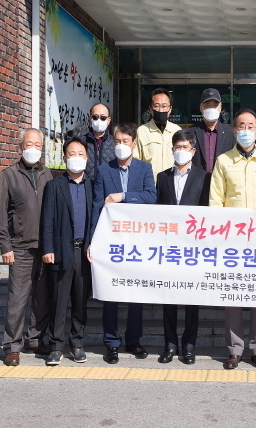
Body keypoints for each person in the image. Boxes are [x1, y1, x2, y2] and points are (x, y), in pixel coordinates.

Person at [209, 108, 256, 370]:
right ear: (233, 129)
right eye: (241, 125)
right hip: (232, 241)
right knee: (233, 297)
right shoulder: (223, 161)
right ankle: (234, 350)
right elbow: (215, 200)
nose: (246, 130)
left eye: (251, 126)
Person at [91, 123, 157, 364]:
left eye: (125, 141)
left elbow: (151, 196)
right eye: (117, 141)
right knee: (111, 293)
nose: (121, 145)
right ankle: (111, 342)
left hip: (137, 242)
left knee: (135, 293)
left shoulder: (144, 168)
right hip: (111, 241)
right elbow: (97, 207)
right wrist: (93, 241)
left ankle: (134, 340)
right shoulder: (103, 170)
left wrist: (124, 197)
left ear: (134, 144)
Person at [0, 128, 53, 367]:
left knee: (42, 298)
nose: (33, 149)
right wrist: (5, 245)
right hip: (19, 247)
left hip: (45, 247)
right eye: (29, 144)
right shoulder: (8, 175)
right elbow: (0, 213)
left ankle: (35, 339)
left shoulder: (48, 174)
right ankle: (12, 346)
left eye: (38, 145)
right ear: (20, 147)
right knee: (17, 299)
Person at [155, 130, 211, 365]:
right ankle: (169, 345)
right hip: (169, 246)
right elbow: (157, 210)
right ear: (172, 150)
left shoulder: (204, 177)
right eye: (177, 147)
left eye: (185, 147)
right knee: (169, 298)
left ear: (193, 151)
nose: (181, 151)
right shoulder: (162, 177)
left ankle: (189, 346)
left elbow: (208, 211)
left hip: (193, 247)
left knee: (191, 299)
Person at [40, 138, 93, 366]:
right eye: (72, 154)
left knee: (80, 302)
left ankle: (77, 344)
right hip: (61, 251)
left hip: (84, 254)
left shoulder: (92, 185)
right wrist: (48, 248)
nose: (76, 158)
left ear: (87, 158)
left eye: (80, 154)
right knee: (59, 302)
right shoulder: (54, 186)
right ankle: (56, 347)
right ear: (64, 159)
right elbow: (47, 220)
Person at [134, 87, 181, 181]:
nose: (160, 110)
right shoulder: (142, 131)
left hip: (173, 183)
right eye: (156, 106)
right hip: (150, 185)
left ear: (170, 109)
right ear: (150, 109)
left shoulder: (177, 130)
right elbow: (136, 162)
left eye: (164, 106)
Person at [185, 88, 235, 173]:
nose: (211, 108)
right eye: (208, 105)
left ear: (220, 107)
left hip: (222, 183)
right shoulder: (190, 132)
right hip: (198, 183)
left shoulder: (230, 133)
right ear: (201, 108)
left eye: (215, 105)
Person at [80, 103, 115, 181]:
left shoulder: (115, 143)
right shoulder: (81, 142)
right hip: (86, 188)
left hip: (108, 189)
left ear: (108, 120)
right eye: (95, 117)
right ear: (90, 119)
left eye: (103, 117)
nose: (99, 120)